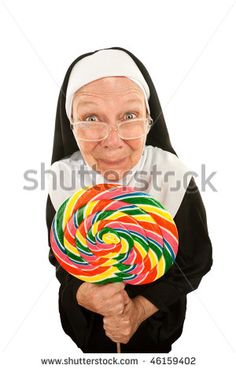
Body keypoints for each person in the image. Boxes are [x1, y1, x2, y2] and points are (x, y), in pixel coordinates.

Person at [46, 47, 213, 353]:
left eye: (130, 116)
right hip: (88, 333)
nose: (112, 140)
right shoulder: (62, 180)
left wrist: (139, 310)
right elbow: (61, 257)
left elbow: (196, 260)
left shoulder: (173, 176)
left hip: (158, 330)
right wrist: (82, 294)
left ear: (150, 119)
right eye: (91, 117)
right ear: (71, 124)